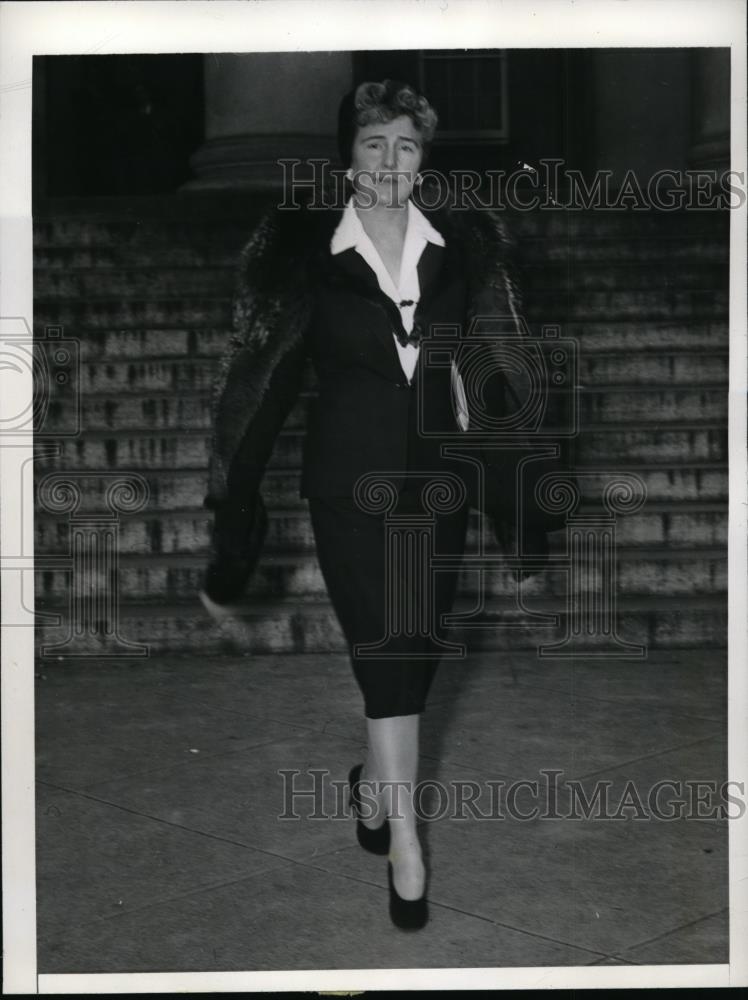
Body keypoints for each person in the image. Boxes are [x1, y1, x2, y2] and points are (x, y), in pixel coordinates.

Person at [199, 79, 559, 930]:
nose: (390, 161)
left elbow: (502, 377)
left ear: (422, 158)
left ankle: (372, 788)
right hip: (348, 490)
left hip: (439, 489)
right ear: (348, 158)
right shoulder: (303, 255)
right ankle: (405, 840)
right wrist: (233, 522)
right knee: (386, 649)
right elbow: (257, 391)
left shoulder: (463, 250)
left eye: (405, 145)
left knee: (417, 650)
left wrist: (520, 514)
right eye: (373, 144)